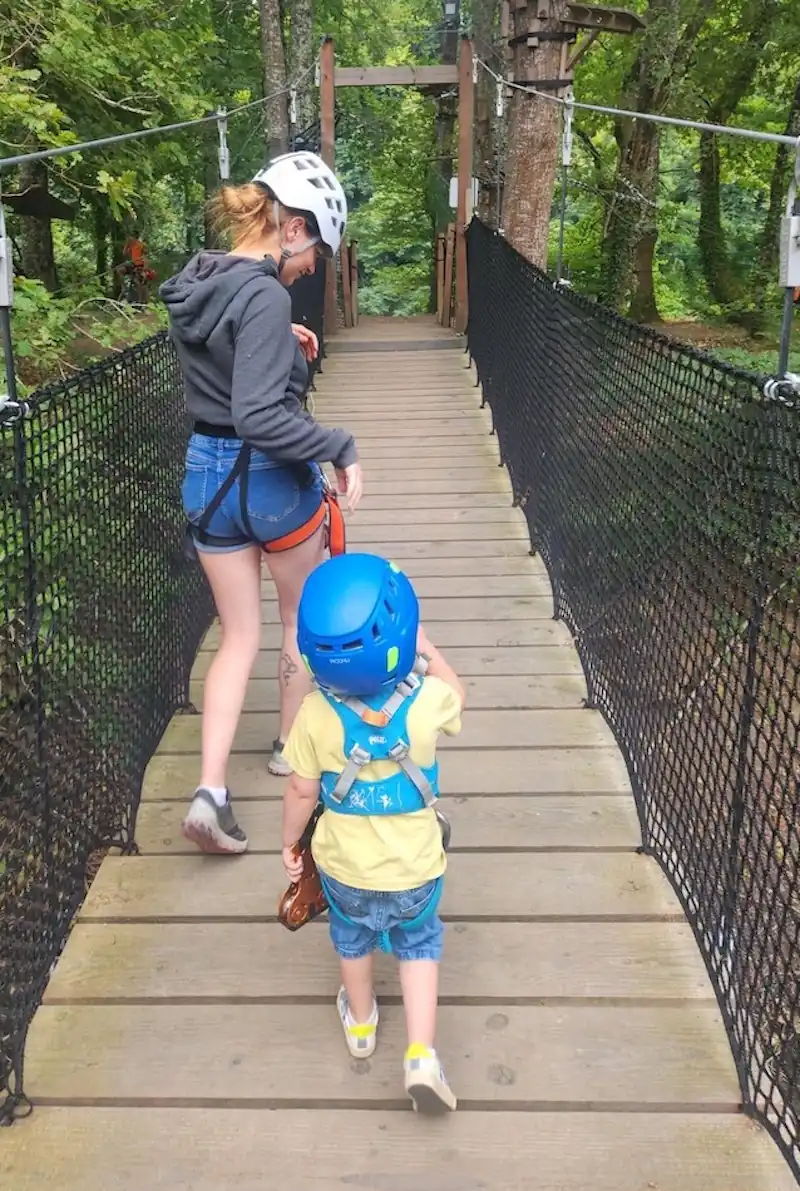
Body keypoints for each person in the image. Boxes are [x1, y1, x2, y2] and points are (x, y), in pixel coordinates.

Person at [160, 151, 363, 855]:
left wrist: (282, 342)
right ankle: (289, 750)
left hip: (207, 481)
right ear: (297, 229)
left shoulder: (199, 279)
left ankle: (210, 791)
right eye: (318, 253)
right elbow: (259, 416)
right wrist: (339, 444)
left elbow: (227, 362)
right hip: (271, 483)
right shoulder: (268, 293)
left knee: (235, 635)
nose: (313, 270)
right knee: (297, 622)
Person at [281, 553, 466, 1114]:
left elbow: (299, 793)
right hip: (416, 869)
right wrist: (428, 650)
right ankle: (420, 1054)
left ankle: (361, 1024)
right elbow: (458, 694)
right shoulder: (428, 701)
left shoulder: (314, 714)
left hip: (343, 870)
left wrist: (291, 846)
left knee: (353, 938)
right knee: (419, 943)